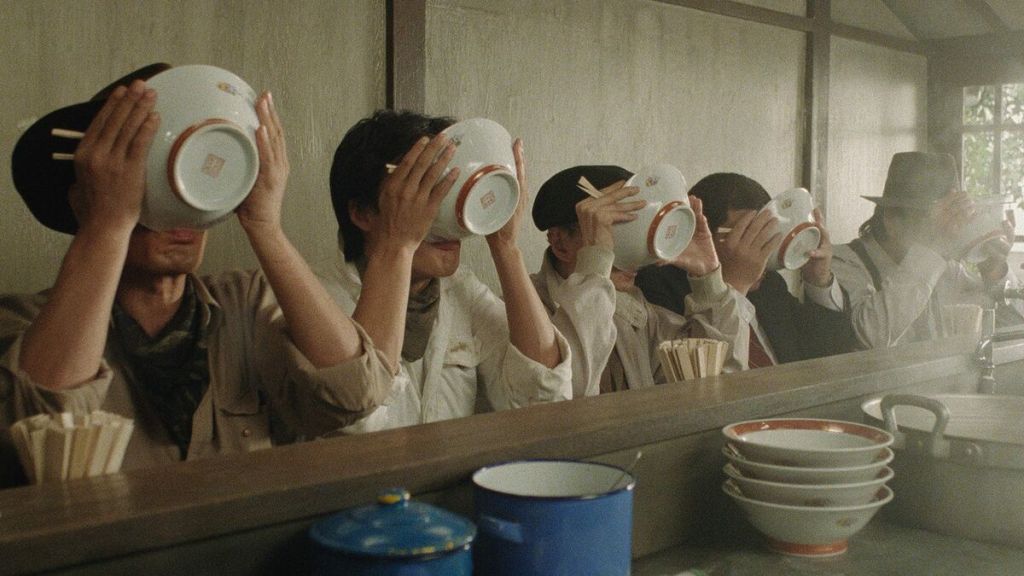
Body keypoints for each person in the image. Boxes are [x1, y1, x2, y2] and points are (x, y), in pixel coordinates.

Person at [0, 66, 392, 476]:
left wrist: (266, 227)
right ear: (90, 197)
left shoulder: (246, 303)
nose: (182, 212)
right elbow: (38, 427)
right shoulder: (23, 322)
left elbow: (355, 394)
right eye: (155, 183)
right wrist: (106, 225)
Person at [317, 110, 571, 433]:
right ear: (363, 213)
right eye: (422, 191)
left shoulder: (460, 291)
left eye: (447, 190)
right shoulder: (317, 299)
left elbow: (547, 400)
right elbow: (359, 423)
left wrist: (506, 246)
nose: (443, 214)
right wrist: (398, 248)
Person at [529, 165, 747, 396]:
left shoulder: (638, 316)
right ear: (560, 244)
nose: (635, 257)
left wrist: (709, 283)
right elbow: (561, 393)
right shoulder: (524, 312)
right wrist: (596, 262)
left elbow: (716, 387)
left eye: (638, 233)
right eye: (614, 233)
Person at [637, 172, 860, 366]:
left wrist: (818, 280)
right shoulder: (658, 289)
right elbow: (701, 377)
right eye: (747, 236)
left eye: (767, 234)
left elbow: (830, 362)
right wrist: (733, 286)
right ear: (700, 236)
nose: (761, 251)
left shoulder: (770, 286)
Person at [831, 152, 1024, 347]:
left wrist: (994, 270)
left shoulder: (947, 271)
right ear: (892, 220)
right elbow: (870, 337)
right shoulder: (841, 263)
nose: (948, 231)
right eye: (934, 221)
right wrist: (933, 247)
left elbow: (1013, 329)